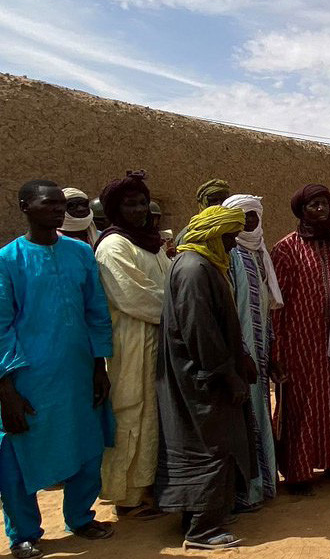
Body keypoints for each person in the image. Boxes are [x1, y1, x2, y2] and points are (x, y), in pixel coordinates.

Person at [0, 181, 115, 559]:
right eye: (47, 203)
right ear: (24, 206)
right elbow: (0, 326)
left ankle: (80, 517)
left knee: (86, 445)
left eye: (60, 204)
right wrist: (7, 389)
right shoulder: (8, 260)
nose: (56, 209)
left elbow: (96, 311)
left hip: (79, 373)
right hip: (28, 378)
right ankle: (24, 532)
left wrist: (99, 366)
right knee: (19, 454)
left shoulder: (80, 253)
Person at [157, 205, 256, 550]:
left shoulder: (199, 264)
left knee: (207, 442)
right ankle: (202, 530)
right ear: (213, 235)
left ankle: (203, 516)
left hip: (203, 373)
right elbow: (201, 330)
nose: (232, 245)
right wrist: (227, 375)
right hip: (201, 378)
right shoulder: (193, 269)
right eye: (229, 238)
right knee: (211, 446)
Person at [93, 171, 169, 517]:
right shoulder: (113, 246)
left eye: (142, 203)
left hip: (159, 339)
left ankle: (147, 485)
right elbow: (135, 297)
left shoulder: (151, 244)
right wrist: (180, 309)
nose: (138, 210)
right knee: (130, 412)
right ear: (114, 209)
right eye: (130, 204)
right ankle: (124, 495)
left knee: (155, 414)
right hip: (131, 343)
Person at [270, 184, 330, 495]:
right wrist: (277, 352)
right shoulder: (286, 249)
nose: (320, 210)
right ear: (301, 211)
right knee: (299, 406)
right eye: (313, 205)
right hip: (299, 343)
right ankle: (298, 472)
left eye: (324, 204)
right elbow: (277, 306)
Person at [222, 194, 282, 512]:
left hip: (258, 351)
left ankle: (262, 485)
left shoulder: (260, 253)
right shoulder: (228, 254)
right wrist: (241, 351)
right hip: (237, 353)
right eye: (242, 216)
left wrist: (269, 350)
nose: (249, 222)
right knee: (242, 420)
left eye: (253, 215)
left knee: (259, 413)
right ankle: (244, 491)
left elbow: (266, 309)